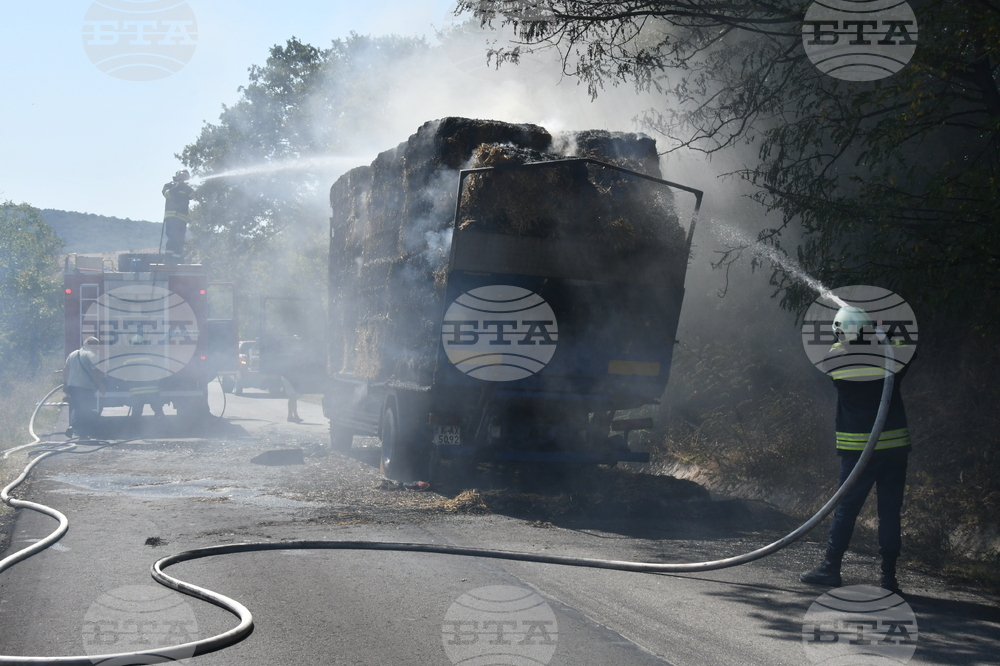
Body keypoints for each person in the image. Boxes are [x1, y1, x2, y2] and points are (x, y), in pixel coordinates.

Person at [800, 306, 913, 594]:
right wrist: (883, 333)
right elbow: (908, 348)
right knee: (890, 512)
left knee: (847, 510)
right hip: (894, 450)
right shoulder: (888, 357)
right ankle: (889, 579)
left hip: (858, 451)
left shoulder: (836, 358)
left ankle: (830, 568)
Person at [64, 337, 106, 437]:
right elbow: (95, 373)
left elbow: (66, 371)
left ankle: (72, 427)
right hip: (86, 387)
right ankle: (83, 435)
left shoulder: (72, 354)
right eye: (97, 346)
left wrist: (65, 385)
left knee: (77, 407)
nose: (98, 349)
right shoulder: (91, 355)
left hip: (72, 386)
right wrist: (101, 385)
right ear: (92, 345)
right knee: (86, 410)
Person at [162, 169, 194, 263]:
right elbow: (167, 194)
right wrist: (177, 187)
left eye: (186, 177)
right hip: (171, 217)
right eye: (182, 176)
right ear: (177, 176)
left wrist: (186, 188)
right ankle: (168, 259)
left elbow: (193, 195)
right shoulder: (169, 186)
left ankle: (177, 259)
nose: (184, 179)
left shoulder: (187, 188)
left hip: (182, 218)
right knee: (172, 238)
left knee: (180, 239)